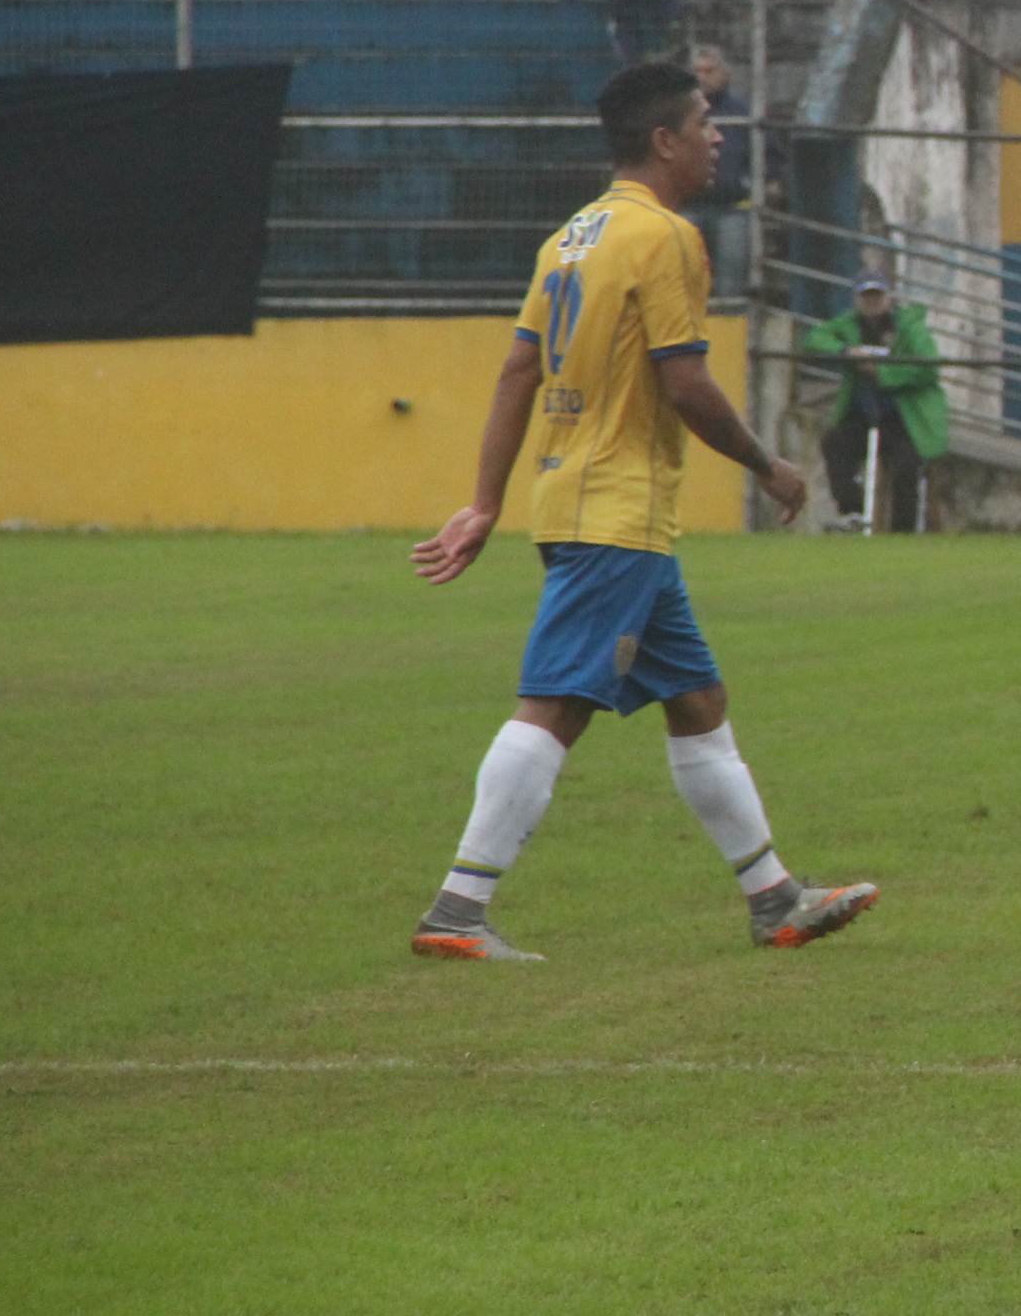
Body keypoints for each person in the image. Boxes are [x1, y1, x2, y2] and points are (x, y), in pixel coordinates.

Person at [404, 61, 875, 962]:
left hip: (588, 506)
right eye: (707, 122)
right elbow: (686, 381)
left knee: (698, 701)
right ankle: (458, 911)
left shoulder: (573, 237)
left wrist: (487, 502)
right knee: (557, 705)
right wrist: (769, 466)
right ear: (665, 141)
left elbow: (517, 371)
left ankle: (775, 897)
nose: (719, 135)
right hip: (614, 512)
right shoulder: (665, 238)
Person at [804, 271, 948, 534]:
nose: (872, 302)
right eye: (866, 296)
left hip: (905, 418)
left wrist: (881, 373)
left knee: (906, 467)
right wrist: (847, 352)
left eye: (877, 296)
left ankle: (902, 532)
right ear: (856, 299)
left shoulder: (909, 327)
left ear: (888, 297)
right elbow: (815, 338)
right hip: (865, 414)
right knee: (834, 443)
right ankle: (852, 514)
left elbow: (928, 368)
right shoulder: (850, 324)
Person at [682, 46, 759, 301]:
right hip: (687, 205)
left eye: (709, 71)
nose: (703, 77)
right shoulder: (679, 112)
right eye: (697, 71)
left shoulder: (742, 112)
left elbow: (769, 156)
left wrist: (755, 183)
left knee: (730, 279)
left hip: (731, 206)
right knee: (684, 275)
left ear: (724, 74)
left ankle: (728, 333)